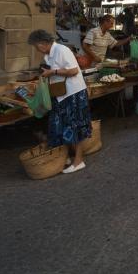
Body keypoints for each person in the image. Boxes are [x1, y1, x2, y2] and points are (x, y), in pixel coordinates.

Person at [28, 30, 92, 174]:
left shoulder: (62, 50)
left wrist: (53, 72)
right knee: (62, 126)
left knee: (75, 127)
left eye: (35, 46)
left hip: (73, 93)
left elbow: (74, 70)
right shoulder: (48, 55)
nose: (36, 49)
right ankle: (69, 156)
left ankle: (79, 161)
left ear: (42, 43)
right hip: (60, 94)